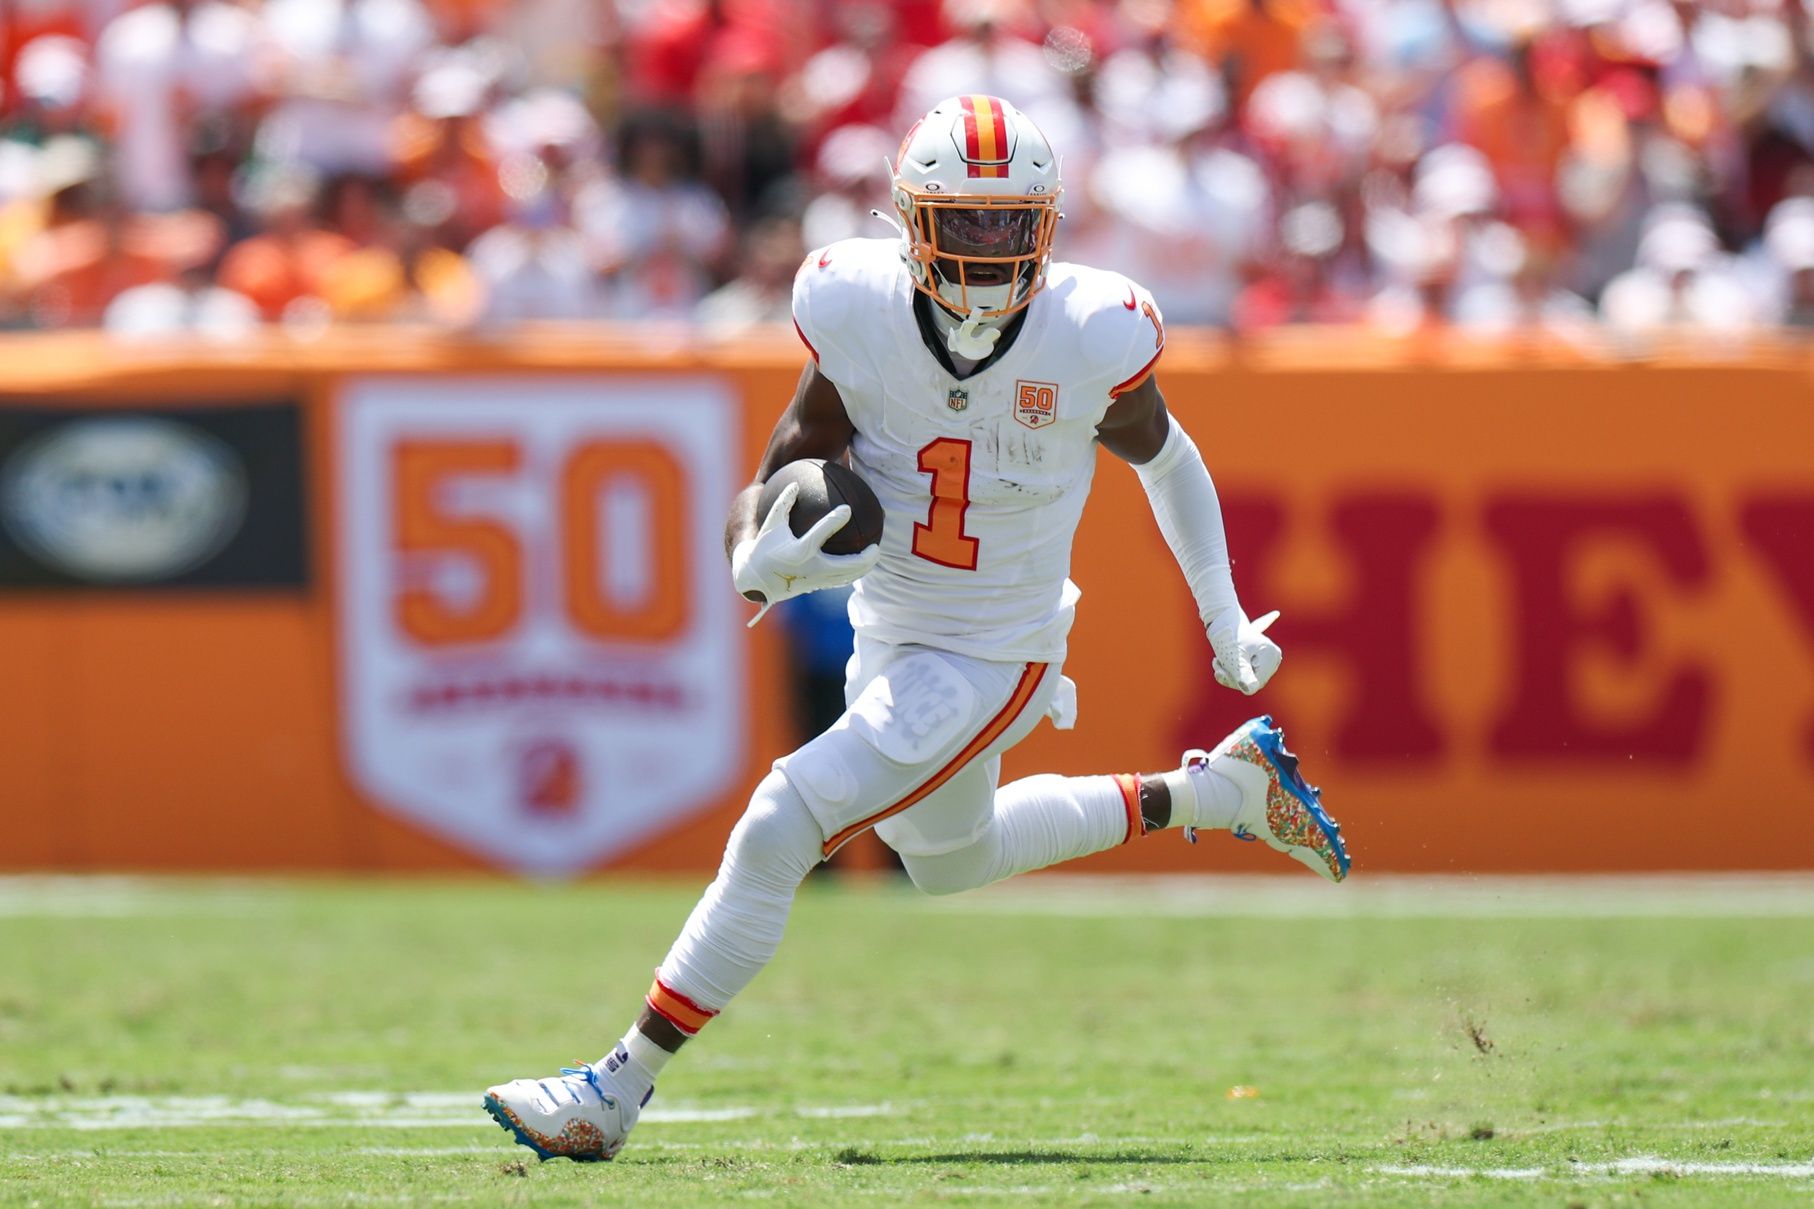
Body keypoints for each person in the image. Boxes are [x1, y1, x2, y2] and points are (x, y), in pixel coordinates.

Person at [481, 94, 1350, 1163]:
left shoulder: (1088, 331)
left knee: (778, 819)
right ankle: (1220, 792)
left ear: (1046, 225)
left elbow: (1168, 459)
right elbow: (798, 445)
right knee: (946, 860)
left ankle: (611, 1089)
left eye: (1008, 223)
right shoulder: (856, 308)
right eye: (964, 222)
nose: (988, 249)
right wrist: (756, 543)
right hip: (889, 627)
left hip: (995, 646)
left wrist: (1221, 616)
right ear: (909, 220)